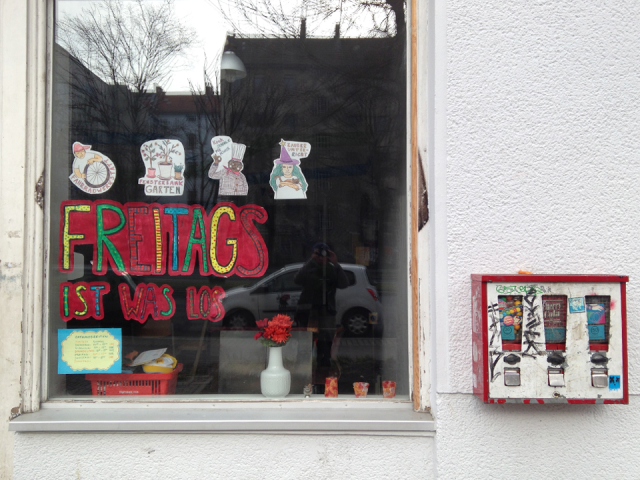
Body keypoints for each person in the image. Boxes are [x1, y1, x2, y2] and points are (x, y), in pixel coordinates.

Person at [294, 243, 349, 386]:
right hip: (307, 311)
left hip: (326, 312)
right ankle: (302, 379)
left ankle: (322, 379)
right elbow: (297, 280)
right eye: (318, 253)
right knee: (304, 346)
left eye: (324, 254)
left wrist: (335, 264)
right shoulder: (309, 267)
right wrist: (311, 261)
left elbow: (344, 284)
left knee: (325, 347)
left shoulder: (331, 269)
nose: (321, 257)